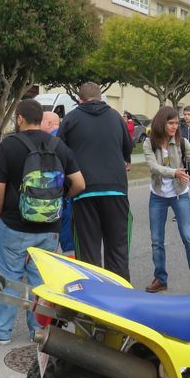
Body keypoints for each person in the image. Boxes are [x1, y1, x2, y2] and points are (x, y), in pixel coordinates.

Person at [0, 99, 85, 345]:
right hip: (49, 227)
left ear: (19, 119)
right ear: (41, 119)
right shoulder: (58, 145)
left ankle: (1, 332)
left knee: (11, 278)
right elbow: (80, 184)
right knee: (40, 280)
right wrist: (59, 201)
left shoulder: (9, 145)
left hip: (15, 224)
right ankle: (39, 332)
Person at [57, 82, 134, 281]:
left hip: (84, 191)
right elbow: (128, 150)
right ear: (101, 98)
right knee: (117, 249)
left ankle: (94, 295)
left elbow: (59, 152)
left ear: (79, 99)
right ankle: (119, 293)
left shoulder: (71, 118)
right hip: (116, 190)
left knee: (88, 250)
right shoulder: (116, 117)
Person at [143, 106, 190, 294]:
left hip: (179, 194)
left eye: (177, 123)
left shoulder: (182, 142)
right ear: (161, 123)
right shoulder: (149, 143)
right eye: (171, 123)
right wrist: (174, 172)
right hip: (158, 196)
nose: (175, 126)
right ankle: (160, 279)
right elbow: (154, 167)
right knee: (157, 241)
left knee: (189, 238)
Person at [40, 111, 74, 254]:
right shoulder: (67, 138)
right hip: (67, 193)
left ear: (48, 123)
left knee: (51, 238)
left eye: (40, 121)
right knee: (68, 241)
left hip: (52, 195)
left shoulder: (48, 141)